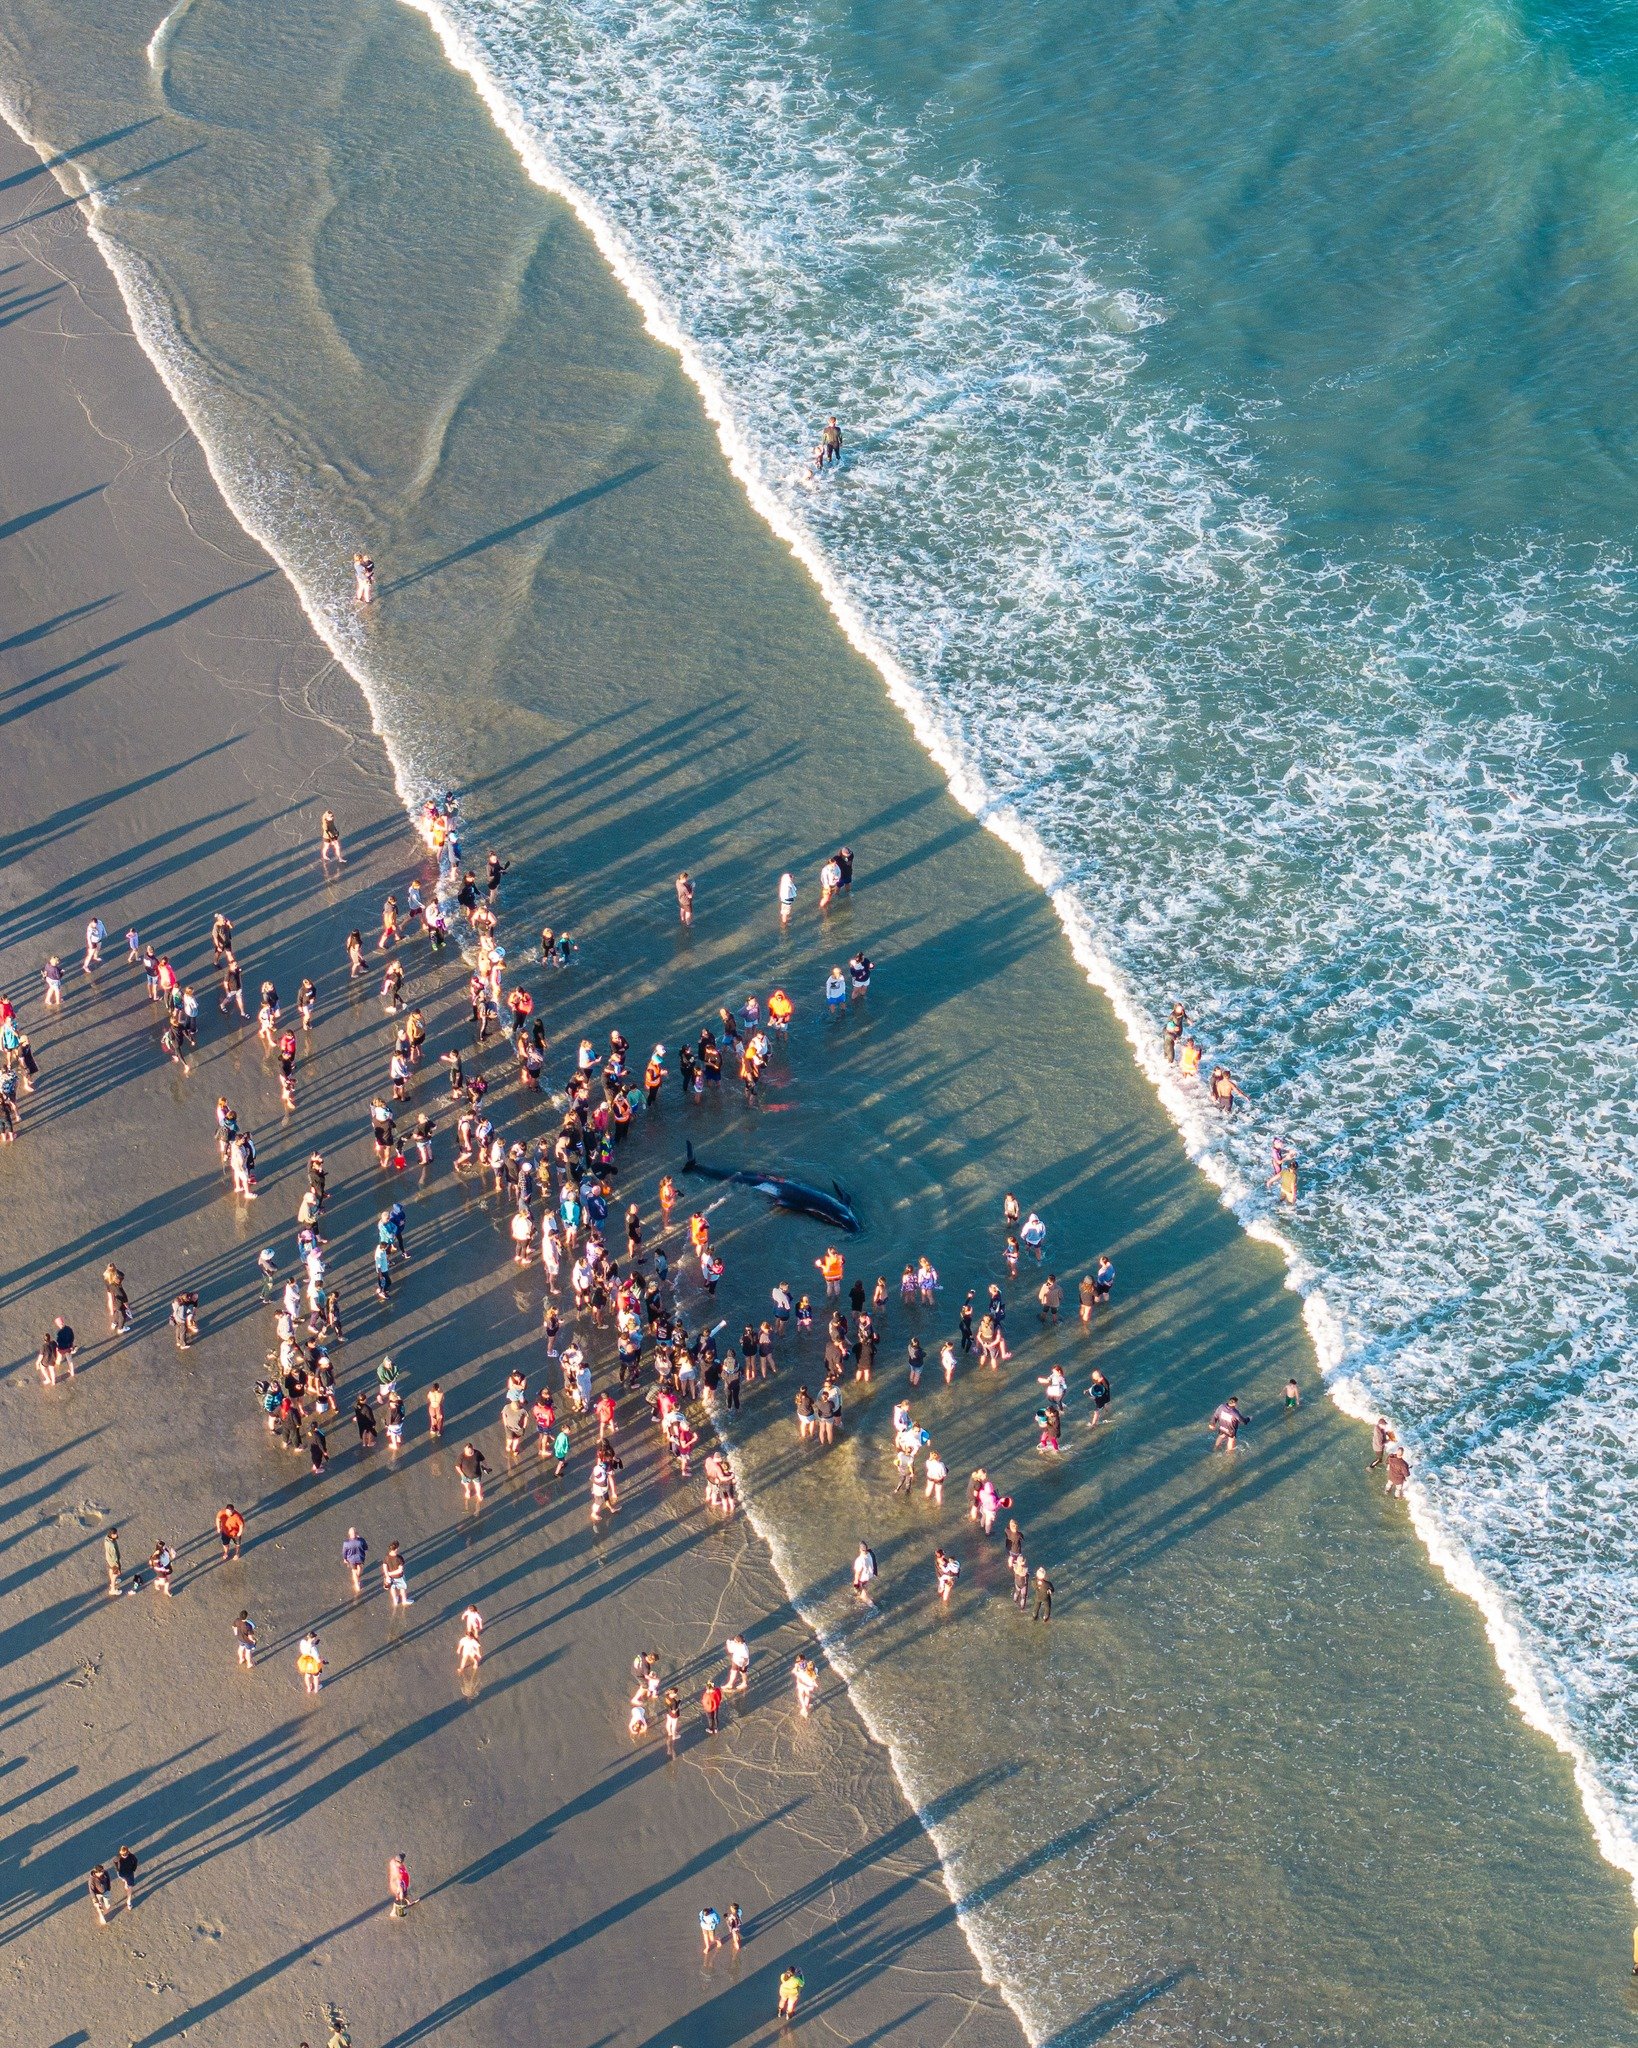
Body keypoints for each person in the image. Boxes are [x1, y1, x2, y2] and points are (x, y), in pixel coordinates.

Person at [387, 1853, 414, 1917]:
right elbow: (399, 1883)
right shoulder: (398, 1872)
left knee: (404, 1895)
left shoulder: (393, 1862)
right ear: (401, 1861)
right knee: (398, 1899)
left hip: (397, 1884)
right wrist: (401, 1896)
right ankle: (393, 1912)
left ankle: (409, 1902)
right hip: (400, 1886)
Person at [342, 1527, 368, 1593]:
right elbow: (366, 1547)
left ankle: (357, 1584)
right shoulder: (361, 1540)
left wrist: (345, 1558)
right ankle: (358, 1576)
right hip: (360, 1558)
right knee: (359, 1569)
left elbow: (344, 1552)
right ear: (356, 1533)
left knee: (354, 1571)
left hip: (351, 1560)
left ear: (349, 1534)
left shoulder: (346, 1543)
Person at [114, 1845, 139, 1909]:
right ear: (120, 1853)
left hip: (129, 1873)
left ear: (128, 1852)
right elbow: (115, 1861)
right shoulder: (118, 1857)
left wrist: (133, 1869)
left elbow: (135, 1861)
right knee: (124, 1880)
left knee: (129, 1887)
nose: (124, 1856)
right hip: (121, 1873)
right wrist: (117, 1869)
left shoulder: (131, 1856)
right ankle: (125, 1882)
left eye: (125, 1854)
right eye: (123, 1854)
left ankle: (129, 1902)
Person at [104, 1526, 122, 1597]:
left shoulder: (106, 1539)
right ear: (112, 1535)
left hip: (109, 1559)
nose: (117, 1535)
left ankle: (112, 1582)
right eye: (115, 1534)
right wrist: (117, 1566)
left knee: (111, 1569)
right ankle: (113, 1589)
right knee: (115, 1573)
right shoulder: (111, 1545)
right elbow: (114, 1556)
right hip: (113, 1561)